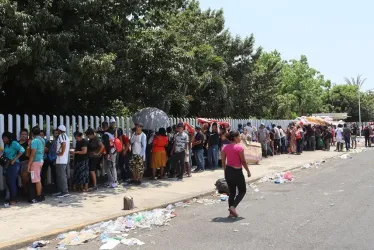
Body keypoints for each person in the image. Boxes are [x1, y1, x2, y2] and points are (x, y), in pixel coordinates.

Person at [221, 131, 251, 218]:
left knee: (232, 193)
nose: (240, 138)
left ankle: (231, 213)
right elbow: (243, 161)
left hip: (228, 171)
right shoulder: (239, 148)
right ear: (235, 137)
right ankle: (233, 207)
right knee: (242, 191)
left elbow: (223, 161)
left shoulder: (225, 147)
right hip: (237, 172)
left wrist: (225, 171)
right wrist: (248, 171)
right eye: (239, 136)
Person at [2, 132, 25, 205]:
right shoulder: (6, 144)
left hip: (14, 164)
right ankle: (11, 198)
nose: (2, 140)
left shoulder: (14, 143)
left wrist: (14, 159)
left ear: (7, 138)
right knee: (8, 182)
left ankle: (14, 200)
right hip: (8, 165)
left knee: (12, 182)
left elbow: (22, 150)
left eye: (3, 138)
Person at [27, 126, 45, 203]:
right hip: (40, 160)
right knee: (37, 179)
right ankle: (40, 195)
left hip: (35, 162)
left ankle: (38, 196)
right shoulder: (42, 140)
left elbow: (32, 153)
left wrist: (29, 164)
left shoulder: (34, 141)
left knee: (36, 179)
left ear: (32, 133)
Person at [55, 125, 70, 198]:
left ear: (59, 130)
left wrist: (61, 153)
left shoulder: (61, 136)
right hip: (61, 159)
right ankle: (61, 191)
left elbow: (63, 144)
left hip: (61, 159)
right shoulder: (65, 136)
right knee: (60, 175)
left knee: (62, 176)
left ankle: (65, 191)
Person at [102, 121, 118, 188]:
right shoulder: (110, 133)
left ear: (102, 127)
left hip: (109, 152)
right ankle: (114, 181)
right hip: (114, 151)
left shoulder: (105, 135)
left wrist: (107, 154)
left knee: (108, 167)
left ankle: (112, 181)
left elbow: (107, 145)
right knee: (112, 166)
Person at [18, 129, 30, 195]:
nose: (24, 136)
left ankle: (26, 190)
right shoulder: (16, 143)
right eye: (22, 134)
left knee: (25, 176)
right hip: (17, 162)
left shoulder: (29, 143)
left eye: (25, 134)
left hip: (26, 162)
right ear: (20, 135)